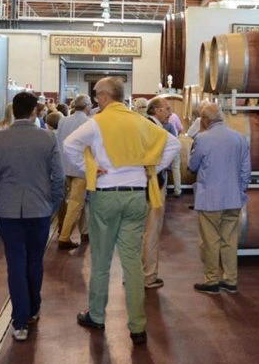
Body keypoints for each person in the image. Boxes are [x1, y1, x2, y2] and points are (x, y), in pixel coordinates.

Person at [63, 77, 179, 346]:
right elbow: (172, 144)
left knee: (101, 260)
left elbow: (69, 145)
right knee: (132, 262)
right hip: (137, 195)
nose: (96, 99)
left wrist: (89, 168)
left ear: (105, 96)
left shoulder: (97, 122)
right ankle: (137, 326)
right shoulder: (140, 121)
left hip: (106, 194)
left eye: (97, 95)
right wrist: (152, 168)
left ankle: (97, 315)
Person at [0, 92, 65, 342]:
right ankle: (33, 309)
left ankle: (19, 322)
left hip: (8, 210)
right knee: (35, 261)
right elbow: (59, 177)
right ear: (34, 112)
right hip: (39, 209)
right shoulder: (48, 138)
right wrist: (52, 205)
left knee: (16, 263)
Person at [188, 101, 251, 295]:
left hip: (210, 200)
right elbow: (246, 171)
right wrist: (240, 191)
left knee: (211, 241)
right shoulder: (239, 138)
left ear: (205, 120)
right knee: (229, 240)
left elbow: (192, 165)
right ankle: (231, 280)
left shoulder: (202, 139)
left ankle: (212, 280)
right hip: (233, 198)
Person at [141, 96, 177, 290]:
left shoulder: (141, 125)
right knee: (151, 231)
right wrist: (155, 169)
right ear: (156, 110)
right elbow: (175, 145)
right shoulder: (155, 128)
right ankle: (148, 276)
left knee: (137, 233)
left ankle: (134, 274)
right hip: (153, 186)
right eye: (167, 109)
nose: (170, 113)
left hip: (137, 186)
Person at [55, 94, 92, 250]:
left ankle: (83, 231)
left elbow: (58, 142)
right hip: (80, 168)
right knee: (76, 204)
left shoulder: (63, 121)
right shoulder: (89, 122)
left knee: (66, 202)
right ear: (87, 106)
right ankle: (64, 237)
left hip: (63, 165)